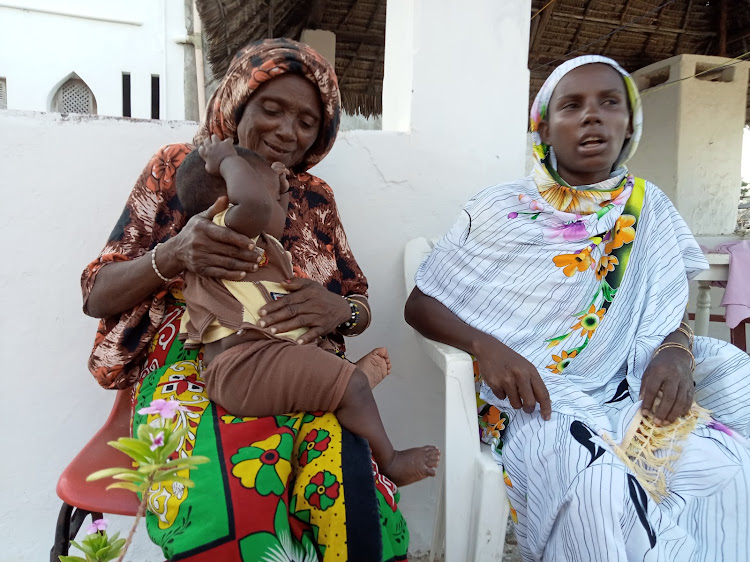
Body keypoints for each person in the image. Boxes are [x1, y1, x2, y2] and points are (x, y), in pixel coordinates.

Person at [405, 54, 750, 561]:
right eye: (572, 106)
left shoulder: (648, 207)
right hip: (529, 400)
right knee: (600, 484)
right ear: (543, 128)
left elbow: (665, 307)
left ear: (630, 121)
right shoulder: (499, 208)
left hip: (629, 389)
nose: (593, 116)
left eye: (609, 103)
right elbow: (420, 303)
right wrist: (487, 347)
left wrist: (677, 351)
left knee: (728, 465)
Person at [82, 38, 412, 561]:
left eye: (306, 121)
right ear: (237, 104)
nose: (287, 131)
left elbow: (358, 298)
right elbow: (97, 294)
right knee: (232, 501)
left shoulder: (316, 197)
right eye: (272, 109)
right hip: (196, 371)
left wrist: (340, 311)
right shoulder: (180, 168)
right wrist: (173, 255)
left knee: (348, 494)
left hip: (305, 367)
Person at [176, 135, 439, 486]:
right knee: (353, 385)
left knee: (324, 365)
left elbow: (270, 216)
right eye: (270, 193)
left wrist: (278, 188)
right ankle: (388, 458)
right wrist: (226, 158)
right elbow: (255, 205)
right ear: (230, 199)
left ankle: (340, 384)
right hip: (246, 366)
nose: (278, 203)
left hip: (262, 360)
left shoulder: (259, 240)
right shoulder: (219, 232)